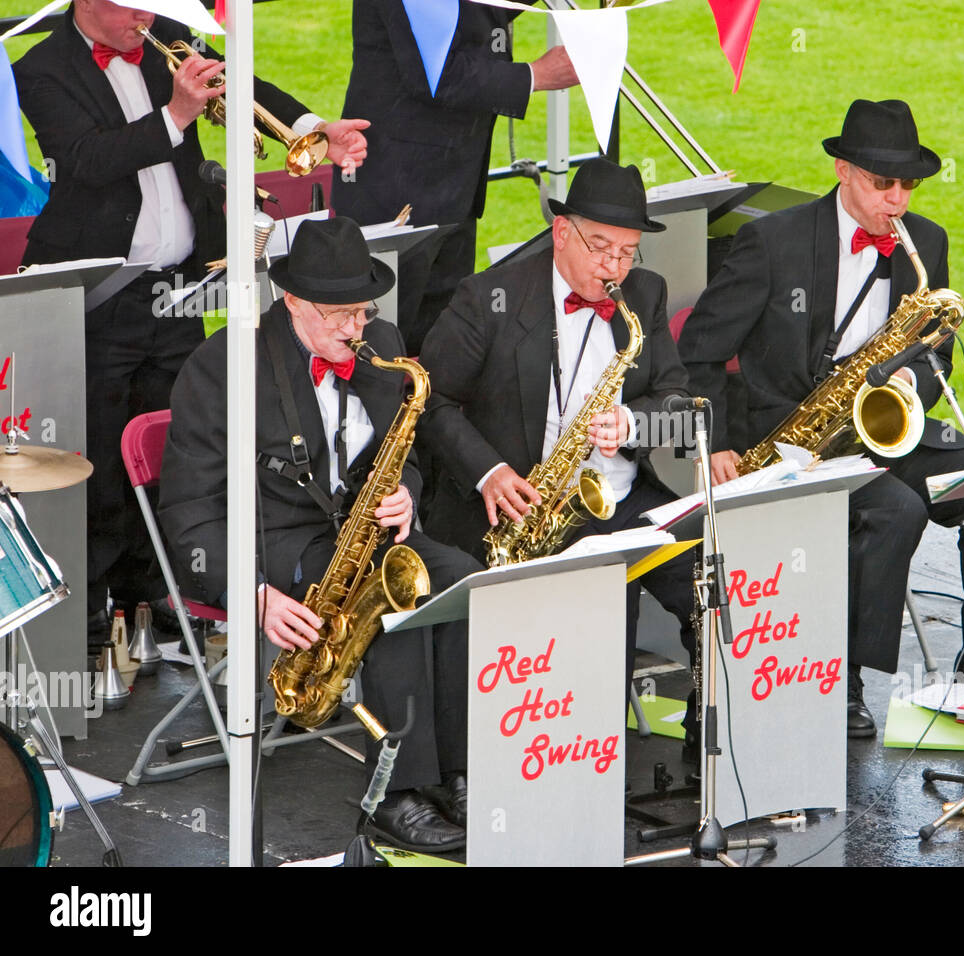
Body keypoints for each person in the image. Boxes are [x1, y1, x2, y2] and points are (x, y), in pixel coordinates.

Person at [14, 0, 371, 646]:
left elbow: (244, 83)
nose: (147, 18)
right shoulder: (40, 67)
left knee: (183, 448)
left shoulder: (163, 39)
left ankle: (166, 589)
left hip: (180, 289)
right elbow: (88, 159)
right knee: (96, 454)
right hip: (98, 295)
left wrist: (313, 126)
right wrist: (176, 115)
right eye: (134, 7)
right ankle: (96, 611)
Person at [675, 99, 964, 738]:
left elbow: (932, 352)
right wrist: (714, 441)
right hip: (788, 441)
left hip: (882, 426)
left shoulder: (927, 243)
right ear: (842, 170)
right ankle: (842, 679)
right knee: (895, 510)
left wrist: (907, 381)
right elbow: (696, 352)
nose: (898, 200)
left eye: (908, 185)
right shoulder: (769, 243)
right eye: (882, 183)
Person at [159, 217, 480, 853]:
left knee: (463, 581)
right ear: (293, 301)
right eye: (338, 316)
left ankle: (459, 769)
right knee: (381, 598)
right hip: (274, 539)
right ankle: (397, 794)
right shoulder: (223, 364)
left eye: (362, 312)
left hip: (361, 532)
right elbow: (189, 511)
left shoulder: (380, 341)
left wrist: (406, 494)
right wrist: (252, 594)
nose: (356, 330)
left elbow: (406, 450)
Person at [419, 157, 695, 697]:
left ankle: (702, 741)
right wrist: (489, 472)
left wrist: (635, 423)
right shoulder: (487, 299)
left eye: (627, 252)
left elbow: (679, 403)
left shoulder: (645, 293)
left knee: (712, 584)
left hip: (621, 498)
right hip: (526, 503)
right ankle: (584, 751)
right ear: (562, 231)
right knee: (605, 593)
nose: (614, 267)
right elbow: (432, 402)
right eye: (600, 248)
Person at [332, 0, 580, 354]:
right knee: (377, 349)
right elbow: (436, 72)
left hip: (455, 186)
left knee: (441, 350)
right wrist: (534, 75)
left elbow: (475, 11)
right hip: (397, 193)